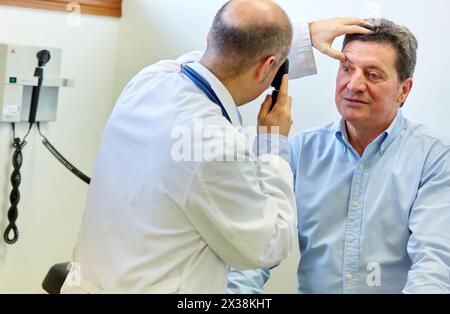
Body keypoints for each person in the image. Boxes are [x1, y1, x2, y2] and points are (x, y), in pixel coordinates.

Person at [70, 0, 372, 294]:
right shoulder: (216, 146)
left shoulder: (152, 78)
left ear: (209, 40)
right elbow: (268, 244)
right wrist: (272, 144)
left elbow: (215, 53)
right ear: (268, 66)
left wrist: (304, 36)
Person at [228, 18, 450, 294]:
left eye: (373, 74)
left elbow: (434, 267)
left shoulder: (435, 158)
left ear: (403, 90)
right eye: (347, 69)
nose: (354, 85)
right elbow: (256, 249)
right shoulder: (299, 151)